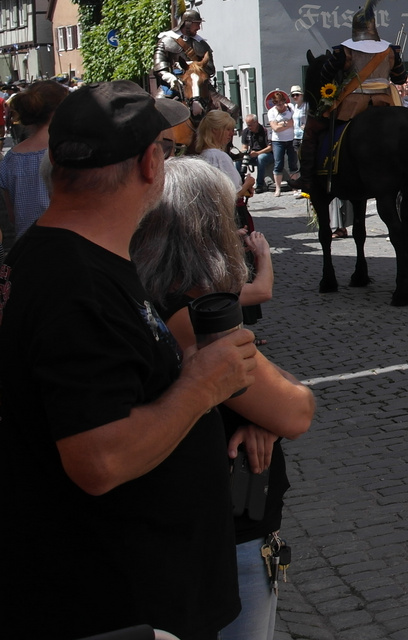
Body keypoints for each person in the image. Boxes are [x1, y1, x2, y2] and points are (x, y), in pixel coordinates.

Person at [0, 82, 258, 638]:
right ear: (149, 164)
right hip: (119, 604)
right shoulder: (76, 284)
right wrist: (202, 388)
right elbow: (99, 459)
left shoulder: (60, 256)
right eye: (165, 149)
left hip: (122, 590)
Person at [131, 158, 314, 640]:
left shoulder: (141, 295)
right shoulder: (193, 311)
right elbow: (296, 408)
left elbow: (265, 394)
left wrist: (259, 411)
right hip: (225, 530)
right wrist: (268, 410)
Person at [295, 0, 408, 192]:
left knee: (312, 129)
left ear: (354, 28)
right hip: (386, 104)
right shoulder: (390, 51)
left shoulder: (344, 51)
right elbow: (400, 77)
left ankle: (307, 178)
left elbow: (325, 76)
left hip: (353, 106)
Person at [0, 80, 70, 248]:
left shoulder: (11, 159)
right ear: (58, 112)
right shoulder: (66, 152)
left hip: (25, 249)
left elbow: (12, 215)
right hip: (65, 246)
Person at [154, 7, 232, 117]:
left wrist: (195, 67)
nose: (199, 28)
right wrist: (169, 77)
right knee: (154, 111)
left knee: (232, 109)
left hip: (199, 84)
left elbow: (210, 68)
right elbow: (159, 64)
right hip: (174, 83)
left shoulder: (201, 43)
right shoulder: (166, 40)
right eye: (197, 24)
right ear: (188, 23)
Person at [198, 110, 255, 200]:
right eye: (227, 129)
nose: (231, 134)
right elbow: (234, 194)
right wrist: (248, 183)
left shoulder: (202, 155)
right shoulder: (219, 157)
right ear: (215, 130)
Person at [266, 90, 298, 195]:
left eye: (281, 103)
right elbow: (275, 128)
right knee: (278, 163)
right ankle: (278, 188)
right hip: (278, 141)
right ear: (274, 104)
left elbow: (294, 122)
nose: (280, 106)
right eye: (277, 104)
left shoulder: (291, 107)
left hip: (291, 139)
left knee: (293, 163)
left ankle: (295, 187)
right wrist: (286, 123)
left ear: (284, 101)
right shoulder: (271, 112)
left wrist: (281, 124)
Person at [241, 112, 273, 192]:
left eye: (250, 125)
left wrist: (258, 153)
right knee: (239, 160)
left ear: (256, 122)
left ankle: (259, 185)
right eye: (247, 125)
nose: (249, 127)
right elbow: (244, 146)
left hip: (267, 154)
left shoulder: (265, 131)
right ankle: (240, 183)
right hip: (252, 154)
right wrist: (245, 152)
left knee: (261, 158)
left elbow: (270, 147)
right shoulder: (246, 131)